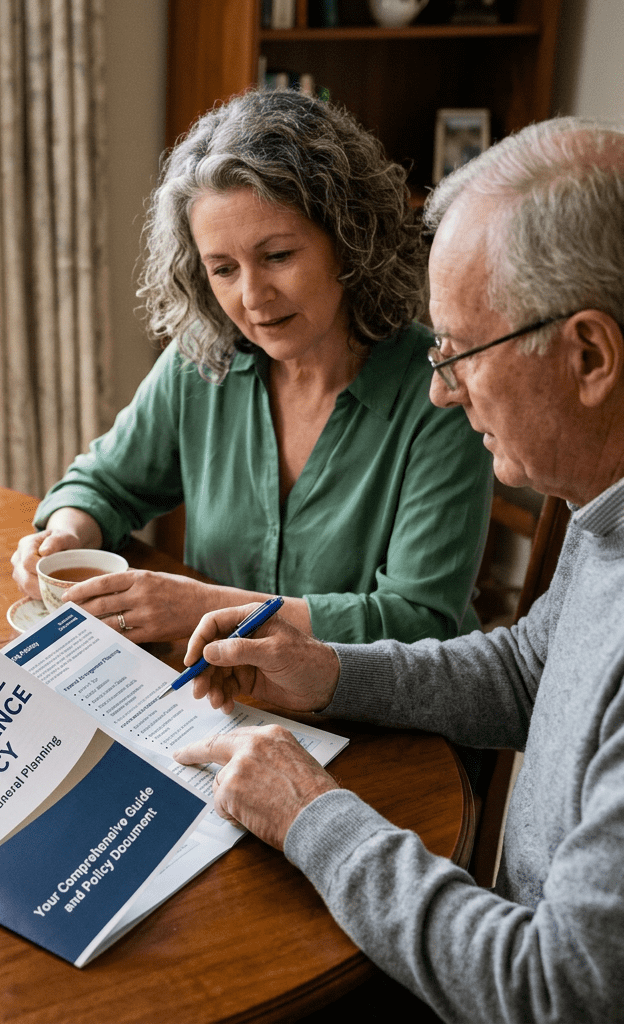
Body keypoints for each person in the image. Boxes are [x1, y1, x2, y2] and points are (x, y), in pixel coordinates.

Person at [174, 116, 624, 1023]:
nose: (440, 388)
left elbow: (556, 992)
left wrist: (311, 812)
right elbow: (528, 667)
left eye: (463, 351)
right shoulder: (602, 505)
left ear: (587, 356)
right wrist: (329, 669)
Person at [11, 89, 491, 645]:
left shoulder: (440, 391)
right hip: (220, 695)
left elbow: (416, 621)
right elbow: (105, 483)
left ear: (347, 239)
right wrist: (68, 535)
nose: (252, 296)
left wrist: (204, 608)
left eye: (278, 256)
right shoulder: (201, 360)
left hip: (387, 717)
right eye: (223, 269)